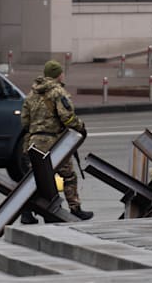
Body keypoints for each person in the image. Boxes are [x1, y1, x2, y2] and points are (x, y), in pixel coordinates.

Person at [18, 60, 93, 224]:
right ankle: (75, 208)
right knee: (68, 175)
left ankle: (27, 213)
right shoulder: (58, 92)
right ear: (58, 75)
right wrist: (80, 127)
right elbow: (67, 117)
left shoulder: (32, 94)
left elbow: (24, 122)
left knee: (35, 179)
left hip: (34, 142)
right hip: (54, 143)